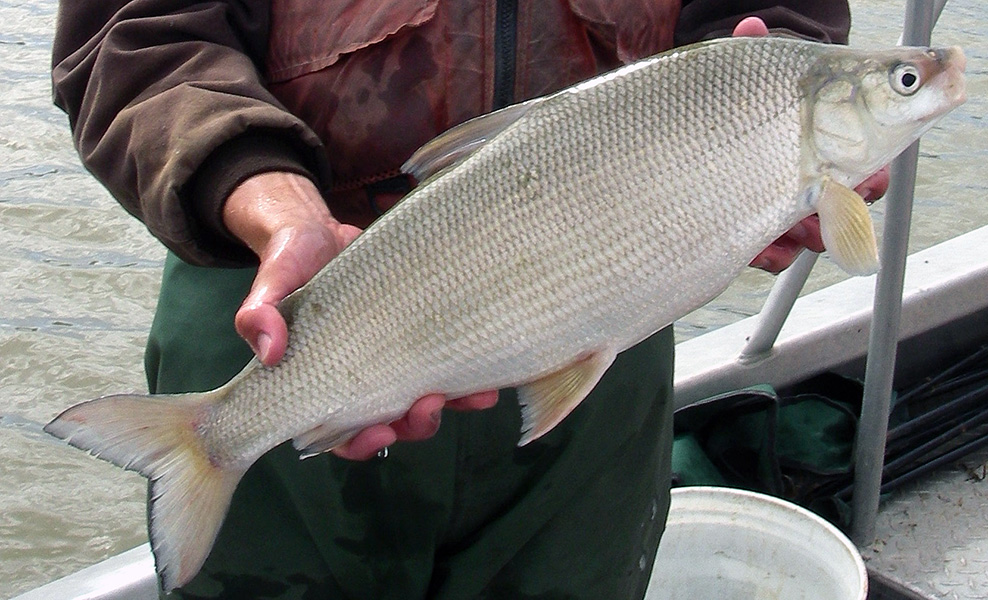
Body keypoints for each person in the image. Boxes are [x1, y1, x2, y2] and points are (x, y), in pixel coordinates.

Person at [51, 2, 886, 598]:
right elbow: (135, 36)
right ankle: (211, 438)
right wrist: (271, 203)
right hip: (282, 289)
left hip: (614, 293)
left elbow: (774, 12)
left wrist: (766, 108)